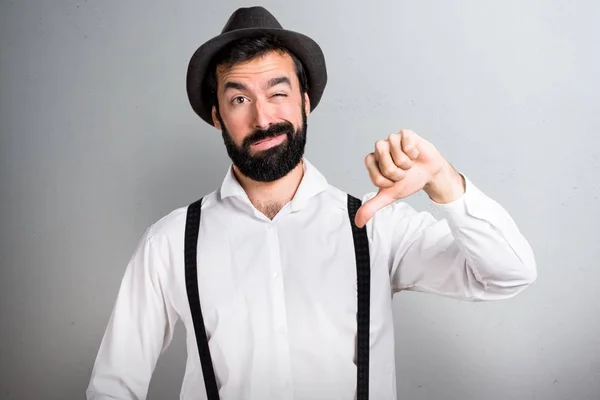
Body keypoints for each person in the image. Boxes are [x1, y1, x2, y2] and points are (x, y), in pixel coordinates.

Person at [86, 6, 537, 400]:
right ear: (217, 116)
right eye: (239, 98)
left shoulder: (374, 226)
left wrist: (443, 182)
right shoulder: (170, 242)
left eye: (278, 93)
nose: (263, 118)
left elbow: (508, 275)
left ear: (304, 101)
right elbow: (112, 386)